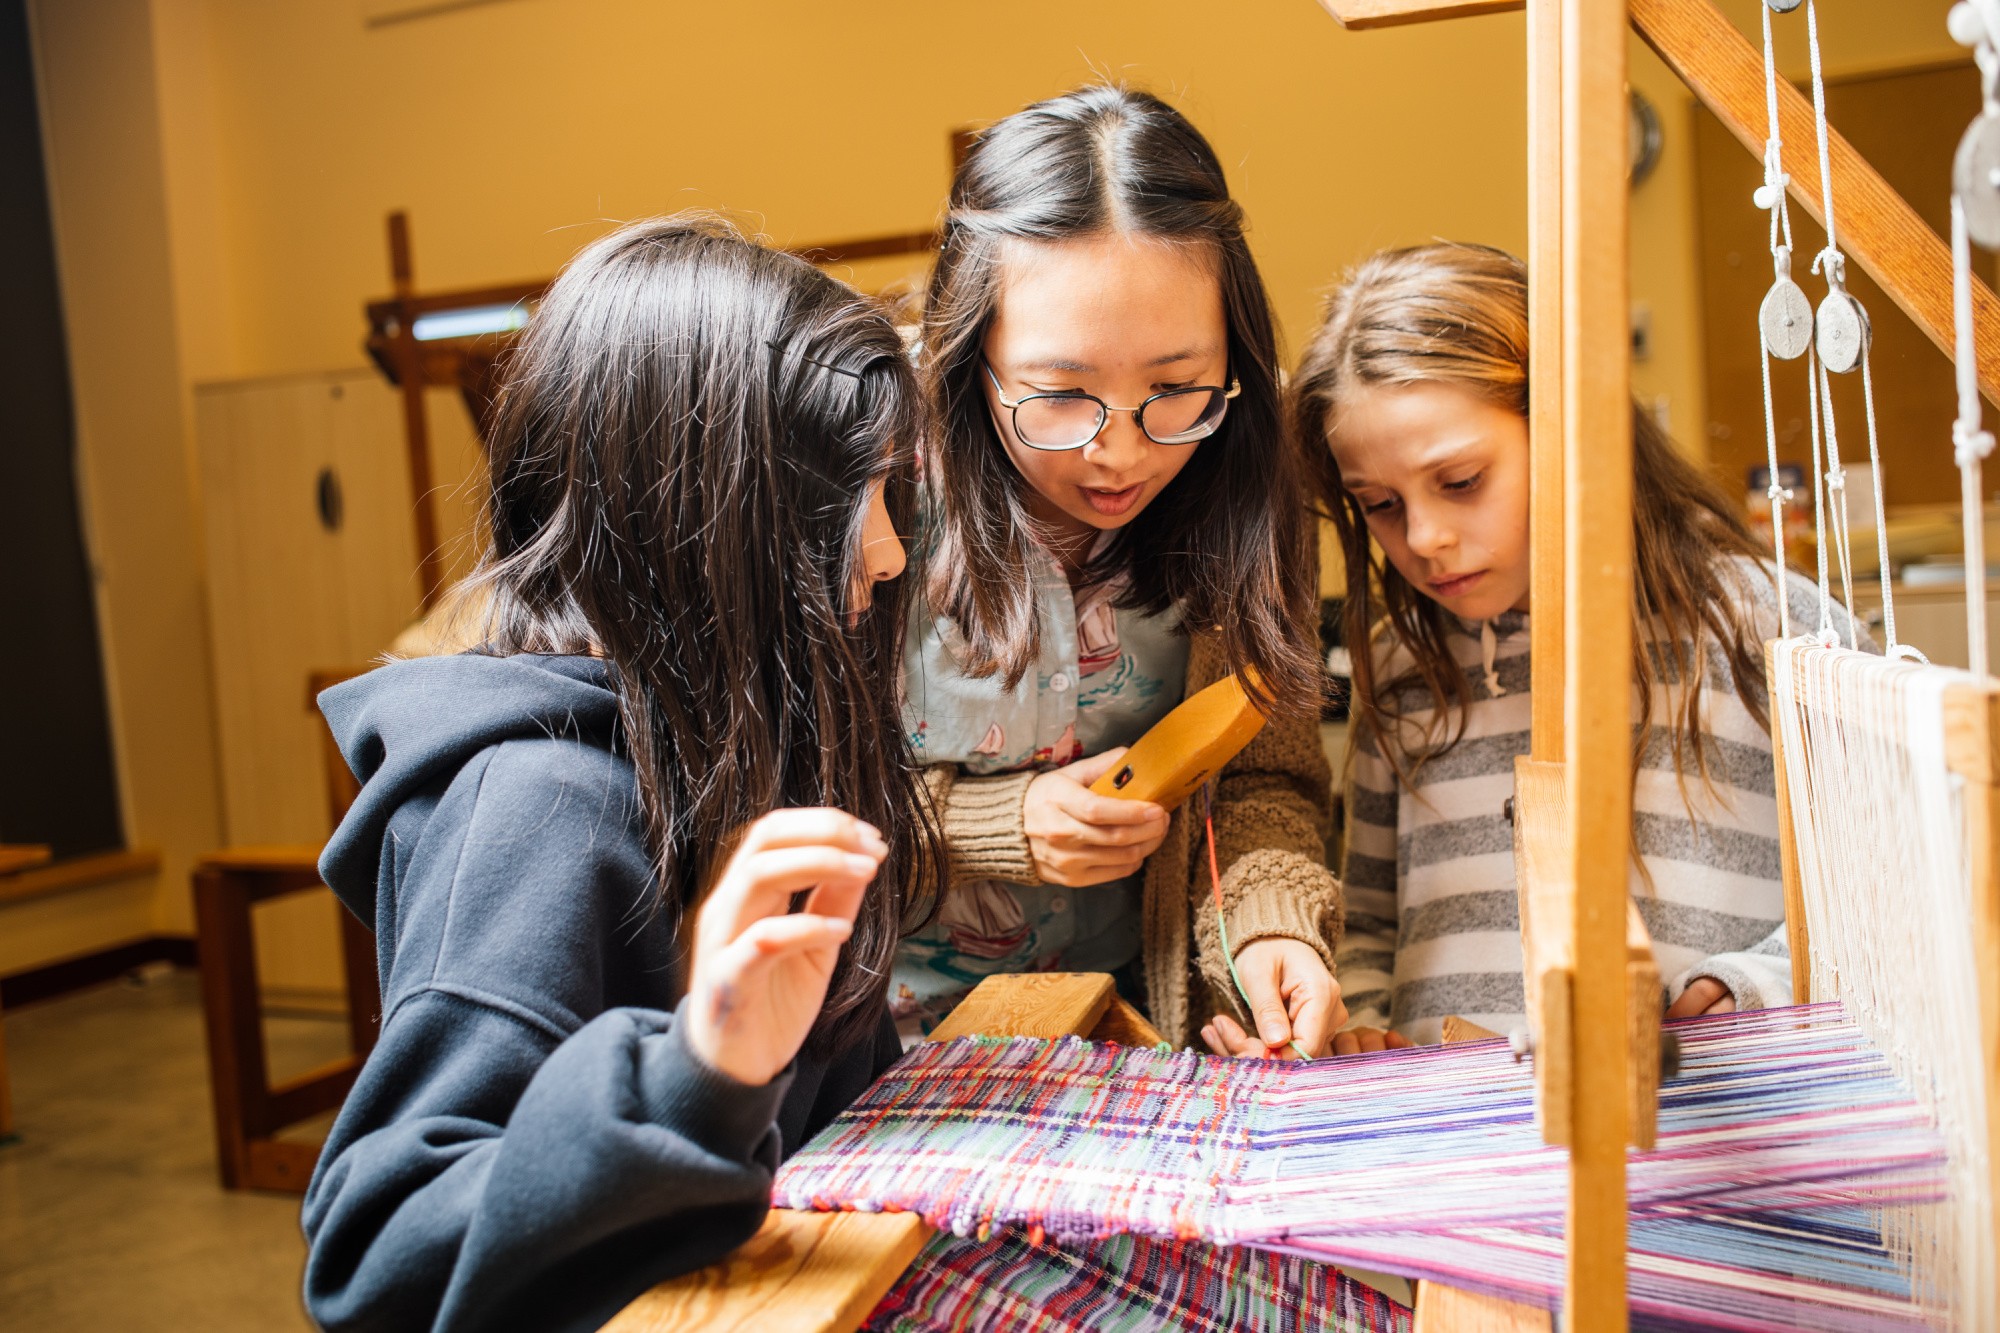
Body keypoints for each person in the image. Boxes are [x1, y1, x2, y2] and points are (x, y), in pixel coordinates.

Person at [300, 216, 943, 1333]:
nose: (886, 553)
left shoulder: (730, 744)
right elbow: (377, 1249)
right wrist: (694, 1072)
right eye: (854, 498)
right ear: (705, 511)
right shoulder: (537, 804)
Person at [1295, 242, 1865, 1053]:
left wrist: (1746, 984)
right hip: (1456, 1143)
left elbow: (1885, 888)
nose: (1424, 538)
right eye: (1381, 504)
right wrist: (1361, 1020)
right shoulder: (1401, 665)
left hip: (1707, 1124)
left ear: (1569, 427)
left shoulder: (1764, 623)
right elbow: (1371, 924)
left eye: (1460, 482)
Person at [896, 84, 1344, 1060]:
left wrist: (1269, 929)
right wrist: (993, 820)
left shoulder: (1246, 480)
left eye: (1176, 388)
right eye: (1060, 395)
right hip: (866, 1061)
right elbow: (757, 798)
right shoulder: (862, 481)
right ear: (966, 358)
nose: (1121, 453)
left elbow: (1265, 785)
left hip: (1132, 1047)